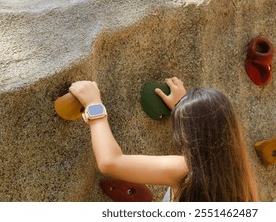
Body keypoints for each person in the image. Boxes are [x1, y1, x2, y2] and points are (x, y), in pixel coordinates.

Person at [69, 77, 258, 202]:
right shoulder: (239, 176)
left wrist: (94, 107)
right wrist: (184, 107)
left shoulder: (184, 170)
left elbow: (110, 162)